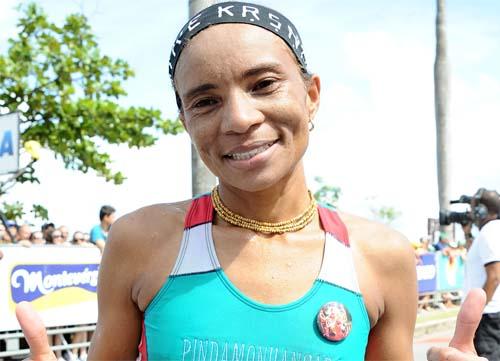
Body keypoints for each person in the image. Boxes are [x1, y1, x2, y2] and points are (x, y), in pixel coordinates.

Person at [14, 2, 489, 360]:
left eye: (263, 84)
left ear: (311, 95)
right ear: (185, 121)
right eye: (205, 101)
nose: (239, 118)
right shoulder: (141, 241)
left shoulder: (381, 256)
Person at [462, 188, 500, 360]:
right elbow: (475, 258)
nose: (471, 213)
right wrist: (467, 233)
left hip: (489, 316)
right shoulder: (491, 231)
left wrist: (476, 310)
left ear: (481, 210)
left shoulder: (490, 232)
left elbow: (495, 275)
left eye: (473, 209)